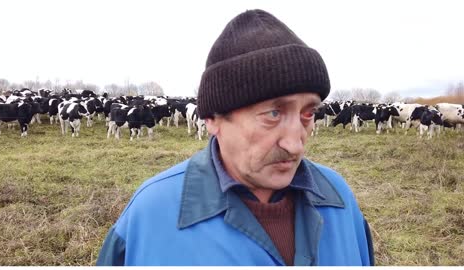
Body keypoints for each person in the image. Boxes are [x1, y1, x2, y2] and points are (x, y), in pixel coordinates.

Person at [96, 9, 374, 266]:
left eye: (308, 113)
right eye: (273, 114)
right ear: (213, 119)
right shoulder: (150, 215)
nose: (295, 143)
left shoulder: (339, 198)